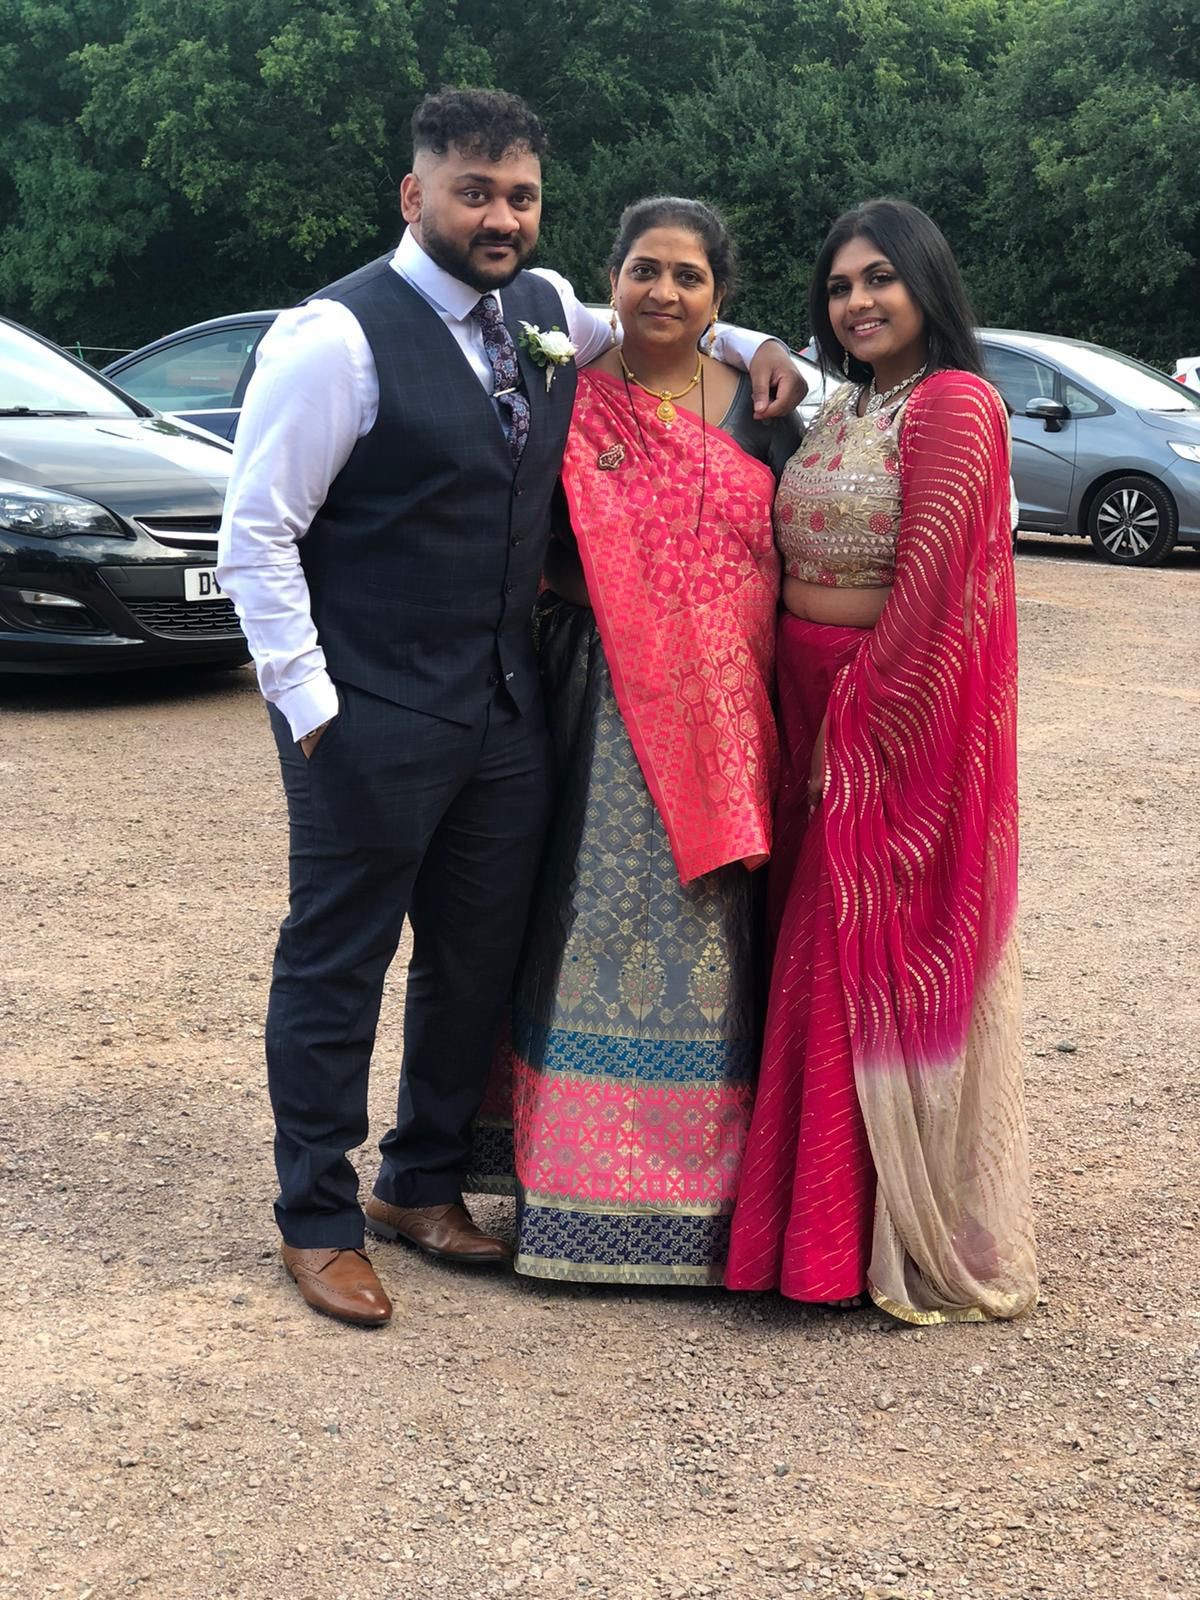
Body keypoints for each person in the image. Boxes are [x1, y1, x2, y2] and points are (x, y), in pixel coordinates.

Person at [216, 88, 805, 1327]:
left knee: (474, 956)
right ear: (414, 194)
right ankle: (314, 1215)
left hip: (502, 708)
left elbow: (655, 317)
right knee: (340, 959)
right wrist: (313, 707)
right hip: (368, 709)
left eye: (521, 195)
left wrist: (757, 347)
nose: (499, 215)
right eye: (472, 191)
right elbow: (257, 536)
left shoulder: (538, 313)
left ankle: (418, 1181)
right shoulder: (335, 337)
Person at [468, 198, 801, 1285]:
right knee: (571, 913)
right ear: (608, 279)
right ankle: (561, 1195)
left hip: (724, 713)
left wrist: (768, 349)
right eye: (645, 270)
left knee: (708, 932)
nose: (665, 292)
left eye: (690, 277)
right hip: (589, 696)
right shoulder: (567, 386)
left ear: (722, 295)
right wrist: (603, 598)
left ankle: (694, 1206)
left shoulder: (765, 408)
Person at [725, 199, 1038, 1324]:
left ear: (926, 287)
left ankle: (834, 1243)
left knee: (844, 956)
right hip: (803, 694)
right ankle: (796, 1230)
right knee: (802, 948)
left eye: (878, 281)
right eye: (840, 286)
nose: (856, 302)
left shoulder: (956, 404)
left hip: (879, 712)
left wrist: (857, 733)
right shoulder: (851, 403)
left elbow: (935, 587)